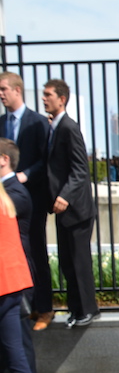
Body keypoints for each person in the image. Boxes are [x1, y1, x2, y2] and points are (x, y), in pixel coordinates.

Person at [42, 79, 99, 328]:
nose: (44, 99)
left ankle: (89, 310)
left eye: (48, 95)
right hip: (64, 211)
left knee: (79, 261)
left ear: (62, 99)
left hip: (77, 210)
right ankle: (76, 310)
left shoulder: (68, 127)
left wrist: (65, 195)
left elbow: (80, 169)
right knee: (67, 262)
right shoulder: (55, 127)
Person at [0, 72, 52, 330]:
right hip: (5, 199)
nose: (1, 94)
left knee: (36, 252)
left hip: (32, 198)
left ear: (17, 90)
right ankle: (24, 307)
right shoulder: (1, 123)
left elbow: (46, 159)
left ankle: (44, 308)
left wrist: (25, 174)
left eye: (4, 89)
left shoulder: (38, 122)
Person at [0, 144, 39, 373]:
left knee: (17, 355)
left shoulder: (12, 194)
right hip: (12, 284)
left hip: (6, 286)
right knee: (17, 357)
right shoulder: (6, 198)